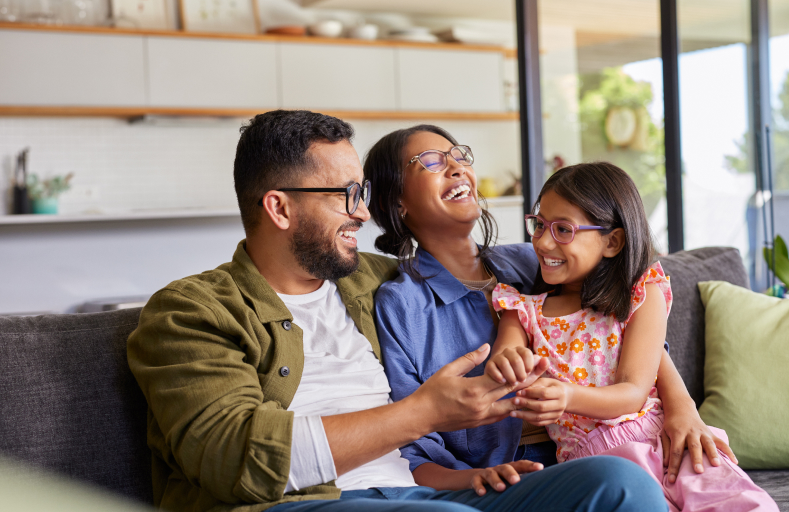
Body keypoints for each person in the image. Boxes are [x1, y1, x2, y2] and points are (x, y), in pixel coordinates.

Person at [127, 110, 667, 512]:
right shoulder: (190, 313)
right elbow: (234, 460)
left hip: (422, 495)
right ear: (279, 206)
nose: (363, 213)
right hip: (307, 502)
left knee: (623, 486)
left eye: (363, 193)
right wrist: (426, 411)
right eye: (345, 195)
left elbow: (619, 305)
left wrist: (681, 407)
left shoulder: (375, 279)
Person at [366, 124, 737, 496]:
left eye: (460, 156)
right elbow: (409, 443)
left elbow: (627, 329)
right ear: (396, 202)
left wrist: (682, 407)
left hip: (621, 439)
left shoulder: (535, 259)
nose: (458, 167)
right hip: (517, 474)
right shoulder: (402, 304)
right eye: (430, 162)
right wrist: (472, 479)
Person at [489, 162, 778, 511]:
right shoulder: (521, 310)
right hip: (594, 466)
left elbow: (632, 392)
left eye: (563, 229)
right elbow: (505, 357)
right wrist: (508, 363)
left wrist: (566, 394)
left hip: (665, 441)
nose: (544, 241)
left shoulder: (640, 295)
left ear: (613, 241)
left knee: (746, 505)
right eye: (539, 225)